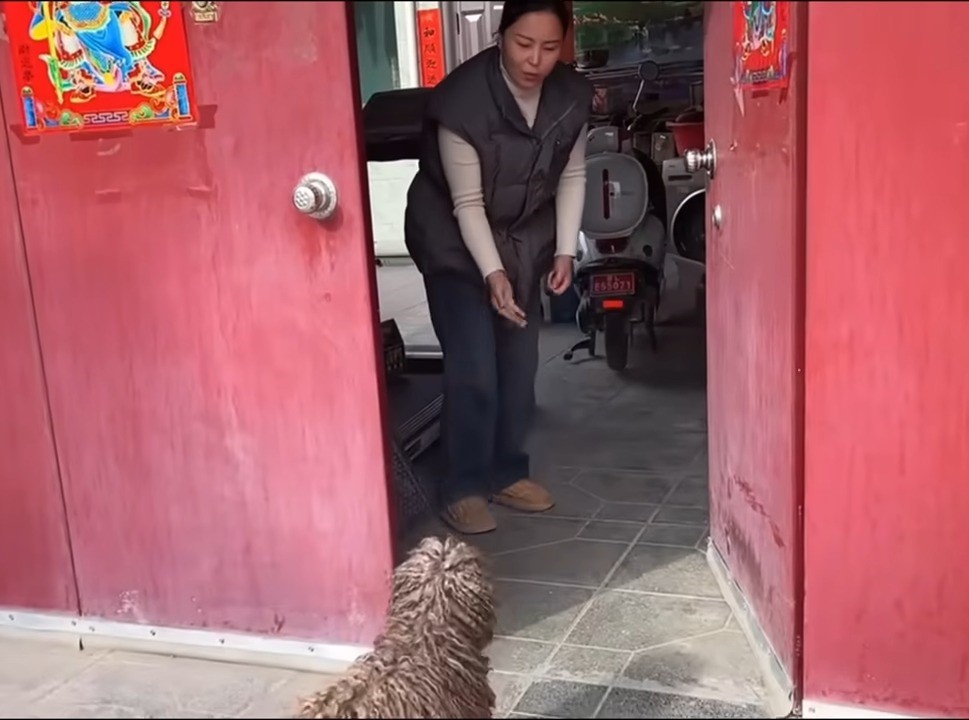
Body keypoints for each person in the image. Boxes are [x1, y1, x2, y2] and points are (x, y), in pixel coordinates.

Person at [404, 0, 592, 535]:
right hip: (455, 242)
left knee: (518, 364)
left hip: (523, 236)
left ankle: (506, 472)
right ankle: (461, 486)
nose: (535, 60)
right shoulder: (462, 101)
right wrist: (493, 273)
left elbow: (573, 175)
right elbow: (466, 205)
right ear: (500, 34)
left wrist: (563, 249)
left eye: (550, 47)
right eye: (522, 44)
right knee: (474, 369)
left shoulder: (571, 97)